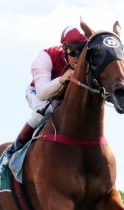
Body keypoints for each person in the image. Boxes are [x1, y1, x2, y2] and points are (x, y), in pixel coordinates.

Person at [1, 26, 87, 168]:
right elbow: (42, 93)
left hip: (61, 98)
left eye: (82, 50)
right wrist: (61, 80)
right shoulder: (45, 57)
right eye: (73, 51)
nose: (78, 57)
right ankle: (13, 150)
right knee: (45, 110)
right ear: (64, 49)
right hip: (37, 93)